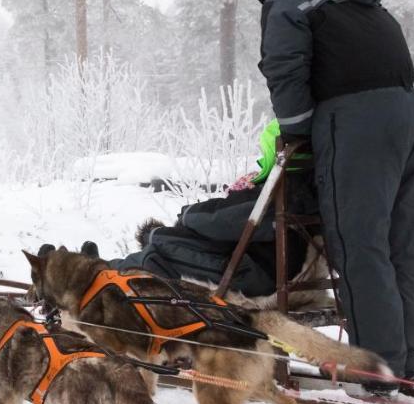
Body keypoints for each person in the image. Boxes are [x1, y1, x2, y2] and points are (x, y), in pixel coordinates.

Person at [258, 0, 414, 389]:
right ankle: (403, 358)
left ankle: (375, 367)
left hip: (354, 118)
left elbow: (284, 65)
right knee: (404, 240)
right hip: (409, 111)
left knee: (358, 243)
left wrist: (295, 131)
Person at [112, 120, 318, 297]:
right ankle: (120, 262)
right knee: (170, 243)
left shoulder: (284, 193)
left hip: (252, 275)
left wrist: (186, 215)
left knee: (160, 253)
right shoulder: (305, 189)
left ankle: (109, 273)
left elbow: (220, 219)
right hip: (264, 266)